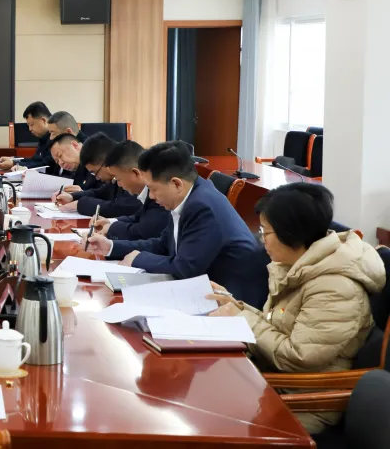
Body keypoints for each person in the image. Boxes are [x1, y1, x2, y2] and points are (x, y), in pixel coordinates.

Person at [206, 184, 386, 434]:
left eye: (265, 231)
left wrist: (242, 318)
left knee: (205, 418)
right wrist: (234, 306)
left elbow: (298, 356)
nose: (261, 239)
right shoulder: (300, 265)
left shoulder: (334, 287)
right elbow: (277, 325)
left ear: (291, 234)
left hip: (304, 400)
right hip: (274, 381)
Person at [85, 141, 269, 306]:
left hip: (233, 301)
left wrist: (139, 258)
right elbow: (163, 244)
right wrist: (111, 246)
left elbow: (185, 268)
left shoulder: (201, 206)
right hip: (205, 289)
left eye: (153, 189)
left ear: (176, 184)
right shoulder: (187, 198)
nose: (151, 196)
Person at [95, 140, 170, 241]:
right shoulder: (147, 191)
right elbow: (138, 218)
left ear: (135, 173)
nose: (118, 184)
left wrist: (112, 228)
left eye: (118, 179)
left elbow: (143, 232)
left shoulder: (159, 193)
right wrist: (110, 222)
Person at [55, 134, 139, 217]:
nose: (96, 177)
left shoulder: (129, 171)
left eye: (95, 172)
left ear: (106, 163)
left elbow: (120, 208)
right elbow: (100, 192)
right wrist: (72, 197)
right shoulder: (114, 178)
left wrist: (80, 204)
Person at [0, 101, 52, 171]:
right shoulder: (44, 138)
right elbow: (35, 160)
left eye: (32, 124)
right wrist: (14, 160)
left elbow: (45, 165)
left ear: (43, 120)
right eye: (28, 125)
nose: (30, 129)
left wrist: (14, 163)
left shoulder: (55, 137)